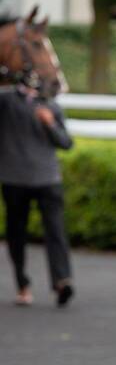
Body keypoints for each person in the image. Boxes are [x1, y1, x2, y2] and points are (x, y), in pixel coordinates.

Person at [0, 83, 75, 306]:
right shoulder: (7, 101)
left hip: (48, 179)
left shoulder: (51, 105)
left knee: (56, 230)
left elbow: (66, 142)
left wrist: (50, 124)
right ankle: (22, 283)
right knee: (16, 233)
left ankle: (62, 280)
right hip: (14, 179)